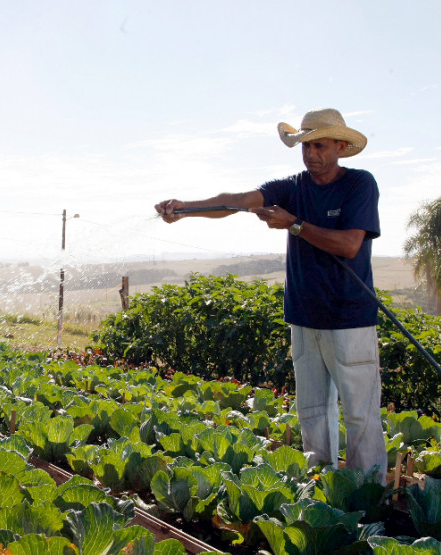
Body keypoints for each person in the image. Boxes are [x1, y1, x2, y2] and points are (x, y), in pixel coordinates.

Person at [155, 108, 387, 481]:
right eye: (306, 145)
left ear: (341, 147)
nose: (311, 153)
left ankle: (369, 493)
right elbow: (238, 200)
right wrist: (186, 209)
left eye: (320, 145)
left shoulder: (359, 184)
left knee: (360, 412)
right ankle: (322, 485)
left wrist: (294, 224)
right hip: (303, 316)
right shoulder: (293, 187)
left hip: (350, 319)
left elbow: (348, 245)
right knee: (312, 410)